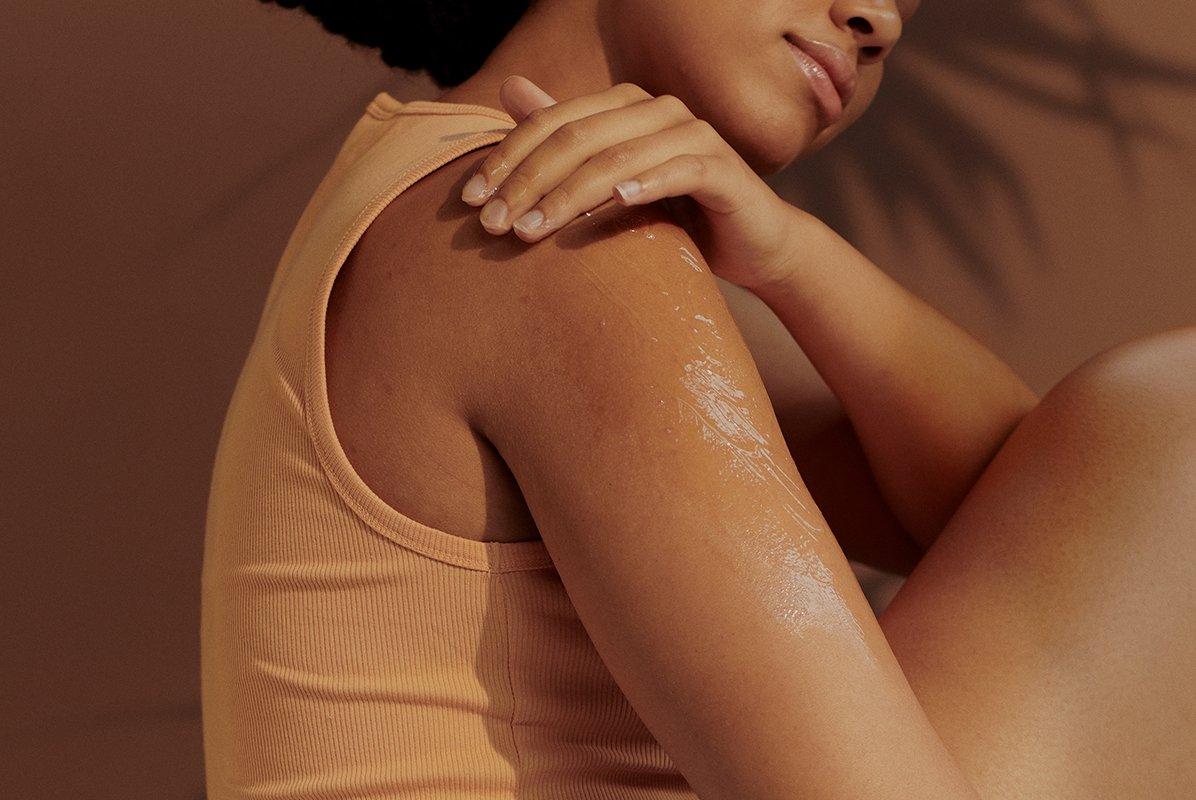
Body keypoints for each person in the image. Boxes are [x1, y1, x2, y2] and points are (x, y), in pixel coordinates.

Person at [202, 1, 1196, 797]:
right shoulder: (543, 237)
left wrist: (795, 257)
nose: (880, 20)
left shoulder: (492, 204)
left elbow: (1033, 501)